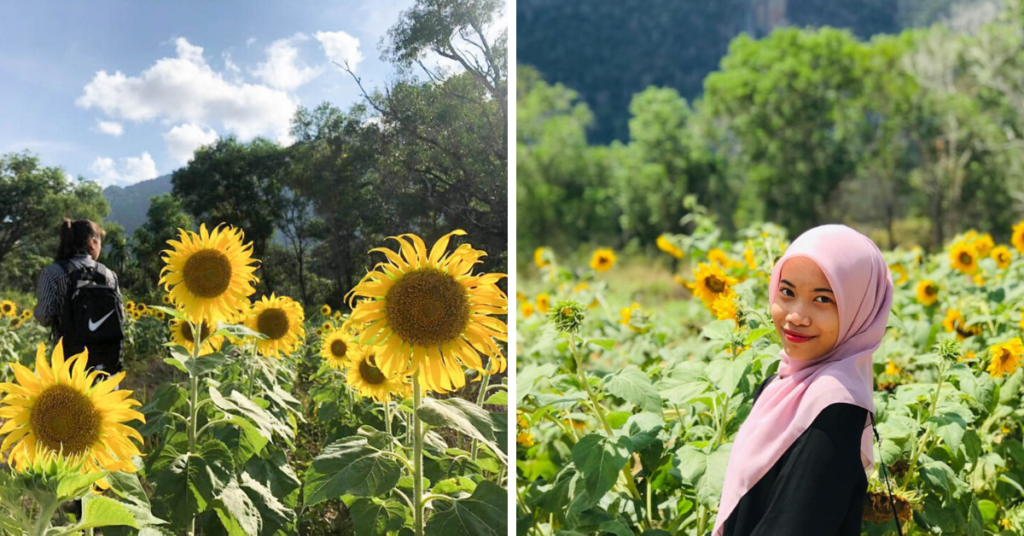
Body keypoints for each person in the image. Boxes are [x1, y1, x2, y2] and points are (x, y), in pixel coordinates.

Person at [713, 224, 894, 536]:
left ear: (859, 311)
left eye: (823, 299)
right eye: (787, 292)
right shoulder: (779, 386)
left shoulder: (837, 406)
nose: (796, 315)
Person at [34, 218, 125, 374]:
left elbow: (44, 316)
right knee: (102, 397)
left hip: (68, 361)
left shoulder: (53, 272)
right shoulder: (108, 274)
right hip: (105, 360)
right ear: (93, 242)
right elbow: (121, 317)